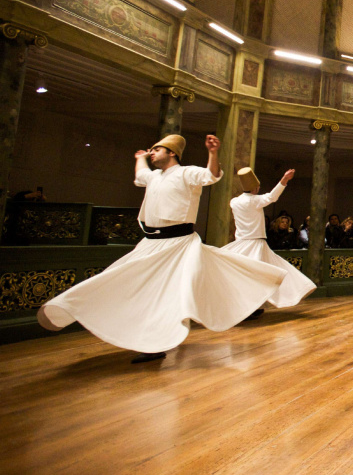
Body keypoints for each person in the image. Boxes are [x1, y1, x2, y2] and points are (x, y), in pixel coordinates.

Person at [36, 134, 286, 363]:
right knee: (118, 278)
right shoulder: (153, 176)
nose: (152, 152)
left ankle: (155, 342)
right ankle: (74, 307)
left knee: (165, 294)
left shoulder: (187, 173)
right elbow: (140, 175)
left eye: (157, 149)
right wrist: (140, 159)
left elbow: (211, 175)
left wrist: (213, 152)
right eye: (152, 150)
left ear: (172, 153)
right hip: (150, 243)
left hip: (179, 244)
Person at [220, 167, 316, 319]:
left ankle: (248, 306)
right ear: (256, 187)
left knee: (243, 276)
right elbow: (272, 197)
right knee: (264, 275)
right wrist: (284, 179)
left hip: (240, 244)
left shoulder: (234, 202)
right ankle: (251, 307)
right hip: (255, 244)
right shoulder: (255, 201)